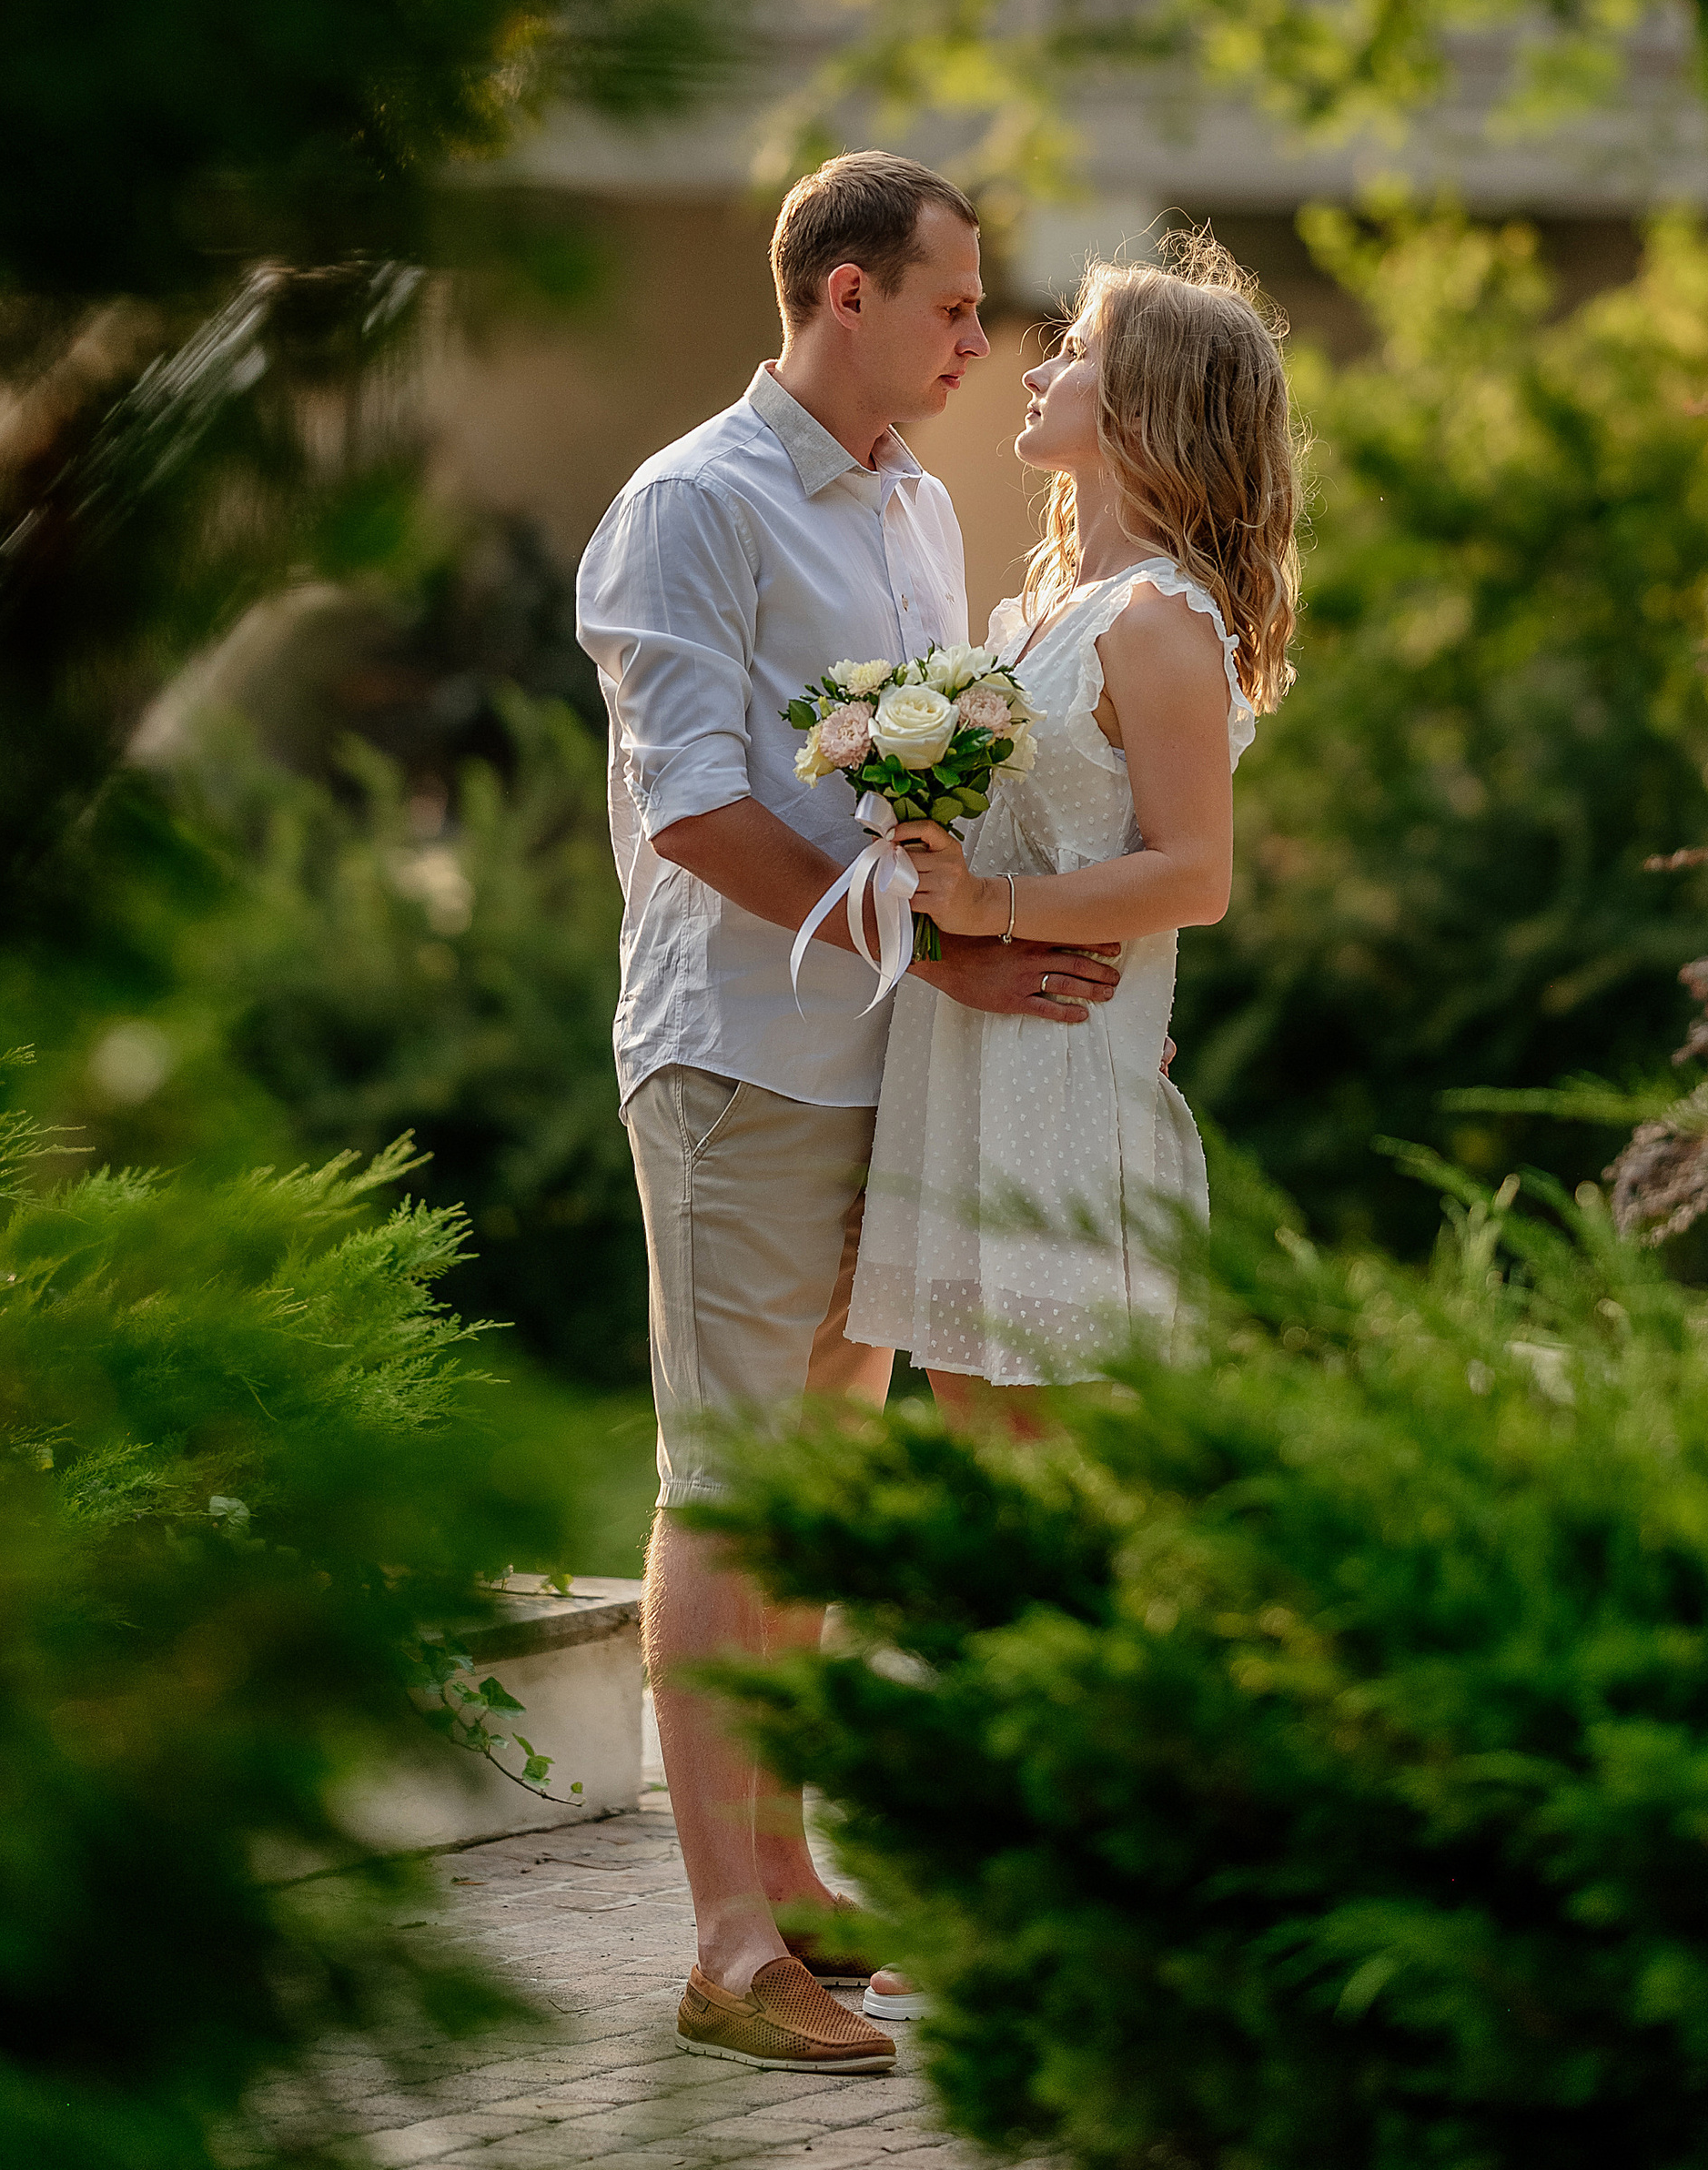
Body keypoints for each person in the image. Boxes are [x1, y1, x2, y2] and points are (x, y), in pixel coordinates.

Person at [574, 150, 1120, 2075]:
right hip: (736, 1063)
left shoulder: (916, 507)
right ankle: (726, 1946)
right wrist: (938, 945)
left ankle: (794, 1883)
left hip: (883, 1064)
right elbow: (696, 810)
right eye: (953, 305)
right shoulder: (689, 506)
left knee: (813, 1489)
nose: (980, 337)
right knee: (726, 1484)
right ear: (844, 294)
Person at [853, 228, 1301, 1419]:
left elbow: (1195, 874)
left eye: (1080, 351)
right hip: (968, 1062)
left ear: (1148, 402)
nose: (1041, 369)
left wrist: (984, 905)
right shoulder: (1046, 612)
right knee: (980, 1448)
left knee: (1062, 1461)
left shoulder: (1158, 619)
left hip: (1061, 1078)